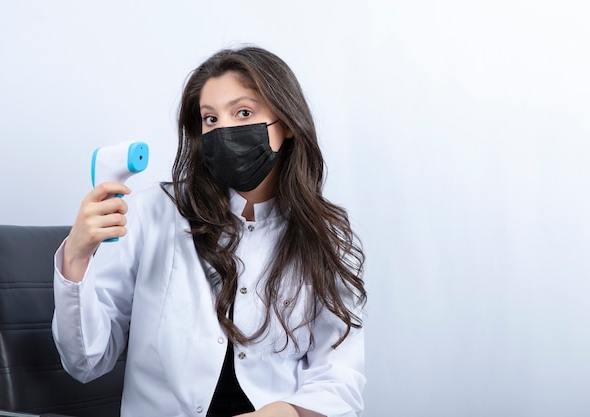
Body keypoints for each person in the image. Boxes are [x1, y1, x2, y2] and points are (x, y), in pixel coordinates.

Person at [52, 46, 367, 417]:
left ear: (288, 124)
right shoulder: (156, 212)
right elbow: (86, 361)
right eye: (211, 119)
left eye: (244, 113)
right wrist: (76, 255)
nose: (225, 130)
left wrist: (282, 412)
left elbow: (340, 379)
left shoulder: (327, 235)